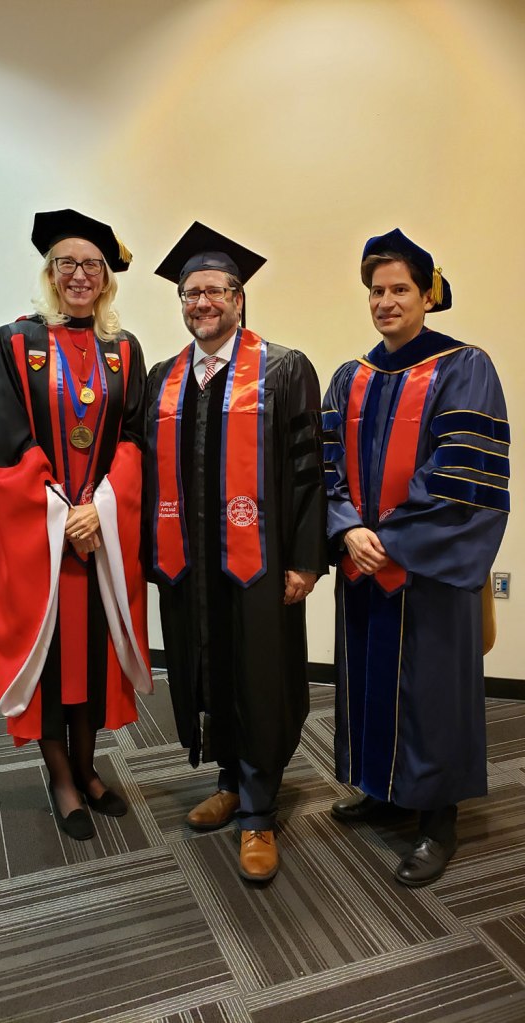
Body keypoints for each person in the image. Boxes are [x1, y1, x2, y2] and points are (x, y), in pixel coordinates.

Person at [322, 228, 510, 885]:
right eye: (376, 290)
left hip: (425, 569)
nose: (385, 300)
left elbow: (462, 475)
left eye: (400, 288)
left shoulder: (464, 367)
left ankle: (438, 818)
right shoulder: (351, 377)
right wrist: (346, 527)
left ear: (428, 294)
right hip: (363, 563)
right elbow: (324, 470)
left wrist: (391, 541)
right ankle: (380, 785)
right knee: (369, 679)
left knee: (431, 689)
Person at [145, 222, 327, 881]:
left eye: (215, 290)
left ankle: (257, 808)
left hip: (258, 563)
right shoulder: (164, 380)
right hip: (192, 568)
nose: (202, 302)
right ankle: (227, 776)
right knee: (208, 665)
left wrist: (306, 559)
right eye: (190, 293)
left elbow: (309, 470)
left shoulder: (284, 369)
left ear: (239, 298)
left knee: (258, 672)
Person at [0, 208, 152, 841]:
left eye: (92, 265)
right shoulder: (15, 342)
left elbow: (134, 438)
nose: (79, 275)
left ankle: (89, 765)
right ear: (50, 274)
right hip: (45, 532)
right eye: (67, 264)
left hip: (98, 531)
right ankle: (61, 775)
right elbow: (10, 440)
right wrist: (61, 512)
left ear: (107, 279)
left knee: (95, 651)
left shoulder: (123, 350)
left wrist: (101, 508)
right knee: (52, 656)